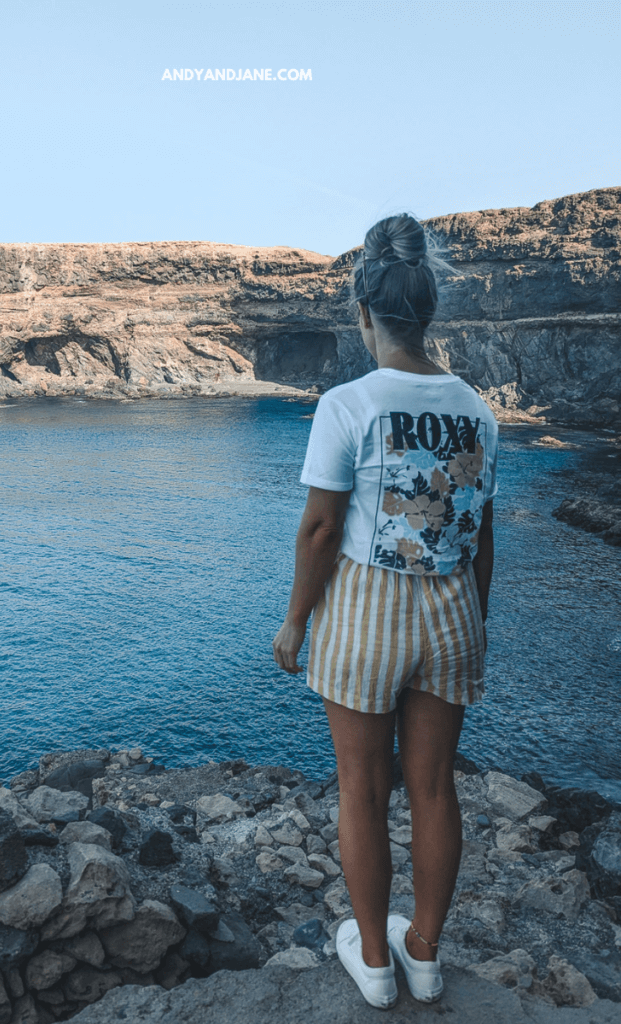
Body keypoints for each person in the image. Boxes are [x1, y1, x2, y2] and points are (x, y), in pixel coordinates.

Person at [272, 212, 498, 1009]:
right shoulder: (478, 409)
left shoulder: (348, 403)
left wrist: (296, 619)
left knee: (362, 788)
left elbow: (322, 528)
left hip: (366, 611)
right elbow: (481, 535)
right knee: (435, 789)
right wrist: (473, 621)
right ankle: (425, 955)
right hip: (452, 609)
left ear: (364, 315)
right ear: (428, 311)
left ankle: (373, 961)